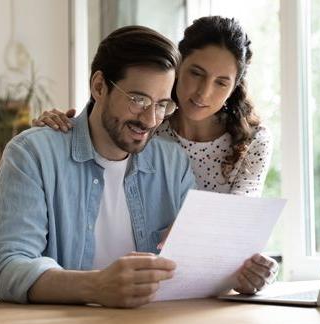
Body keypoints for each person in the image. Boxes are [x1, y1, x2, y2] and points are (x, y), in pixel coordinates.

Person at [33, 16, 277, 294]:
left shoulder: (250, 141)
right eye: (196, 73)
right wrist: (56, 128)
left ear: (234, 88)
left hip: (198, 278)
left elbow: (237, 235)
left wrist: (252, 268)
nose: (203, 92)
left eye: (221, 82)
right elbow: (102, 119)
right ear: (178, 67)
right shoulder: (149, 127)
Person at [0, 25, 194, 308]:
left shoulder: (173, 164)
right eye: (138, 100)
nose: (150, 119)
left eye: (161, 105)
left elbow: (197, 264)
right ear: (99, 86)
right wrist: (96, 286)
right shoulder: (33, 154)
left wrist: (238, 272)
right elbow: (7, 269)